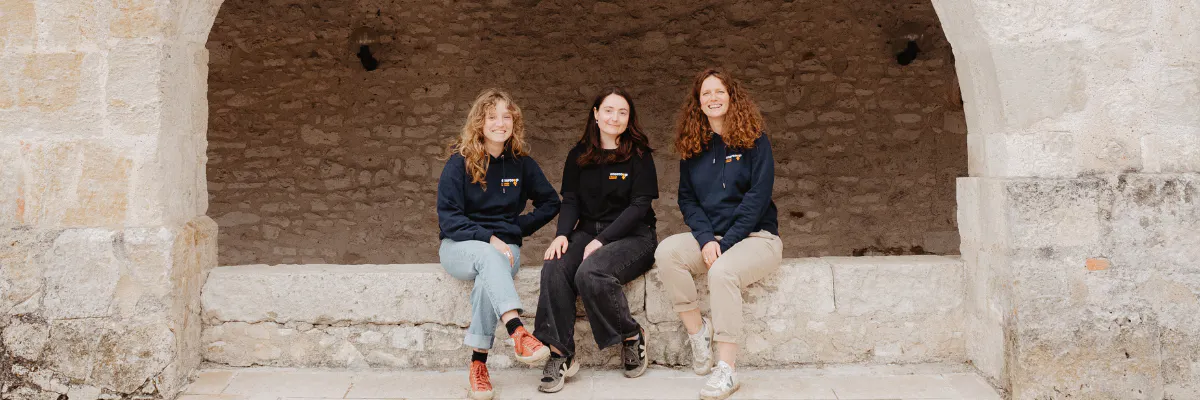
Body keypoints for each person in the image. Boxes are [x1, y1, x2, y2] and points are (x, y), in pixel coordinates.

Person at [653, 68, 782, 400]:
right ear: (698, 102)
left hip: (757, 238)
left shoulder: (755, 138)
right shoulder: (693, 146)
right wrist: (707, 238)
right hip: (715, 237)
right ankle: (698, 333)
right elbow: (688, 199)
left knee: (723, 271)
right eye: (705, 93)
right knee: (667, 252)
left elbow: (758, 196)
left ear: (731, 96)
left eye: (719, 91)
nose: (712, 98)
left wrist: (727, 241)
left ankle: (727, 370)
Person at [436, 88, 561, 400]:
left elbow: (550, 202)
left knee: (486, 280)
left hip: (505, 249)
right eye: (492, 117)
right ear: (480, 122)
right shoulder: (459, 162)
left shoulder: (522, 164)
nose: (500, 123)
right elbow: (449, 218)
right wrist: (489, 237)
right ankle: (517, 330)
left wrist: (514, 227)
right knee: (488, 255)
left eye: (507, 116)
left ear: (514, 122)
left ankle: (478, 365)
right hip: (459, 247)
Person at [533, 88, 659, 393]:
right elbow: (571, 200)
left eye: (622, 112)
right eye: (608, 111)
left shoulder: (639, 155)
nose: (614, 117)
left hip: (634, 235)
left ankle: (631, 336)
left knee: (591, 271)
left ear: (629, 119)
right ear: (596, 114)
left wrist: (602, 240)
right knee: (554, 266)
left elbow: (639, 207)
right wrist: (562, 235)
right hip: (587, 231)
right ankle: (561, 353)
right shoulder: (578, 155)